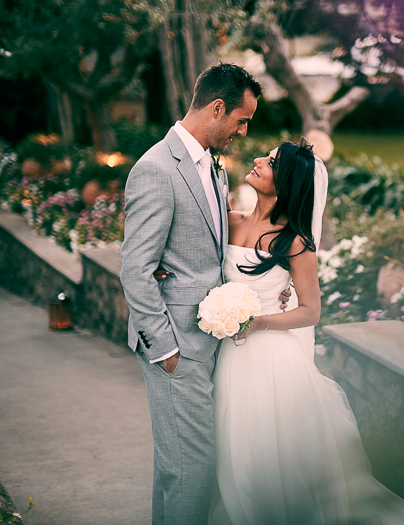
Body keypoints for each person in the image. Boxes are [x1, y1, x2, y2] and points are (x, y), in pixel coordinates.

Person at [208, 139, 404, 525]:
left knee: (266, 452)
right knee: (233, 447)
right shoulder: (229, 221)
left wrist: (257, 322)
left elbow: (310, 311)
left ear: (287, 184)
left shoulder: (295, 243)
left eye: (270, 163)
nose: (257, 161)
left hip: (270, 359)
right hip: (229, 356)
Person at [121, 63, 289, 525]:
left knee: (179, 467)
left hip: (206, 341)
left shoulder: (209, 165)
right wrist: (166, 349)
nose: (243, 130)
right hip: (177, 347)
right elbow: (135, 268)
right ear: (218, 109)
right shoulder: (156, 169)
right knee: (192, 468)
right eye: (242, 119)